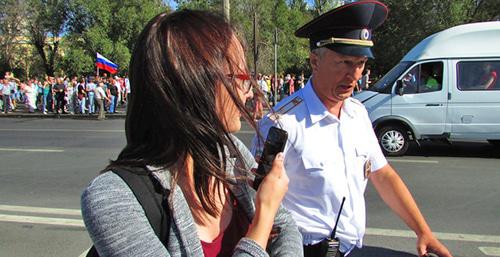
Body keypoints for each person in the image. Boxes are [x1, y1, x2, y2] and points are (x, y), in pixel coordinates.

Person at [81, 10, 302, 257]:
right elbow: (272, 220)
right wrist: (263, 217)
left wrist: (271, 213)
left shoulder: (230, 151)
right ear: (196, 82)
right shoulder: (114, 198)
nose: (248, 93)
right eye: (241, 77)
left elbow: (287, 230)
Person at [252, 2, 452, 257]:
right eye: (344, 62)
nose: (354, 74)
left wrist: (423, 231)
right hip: (303, 250)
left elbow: (384, 176)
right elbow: (256, 200)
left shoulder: (357, 114)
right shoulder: (282, 122)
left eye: (360, 63)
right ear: (315, 60)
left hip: (351, 249)